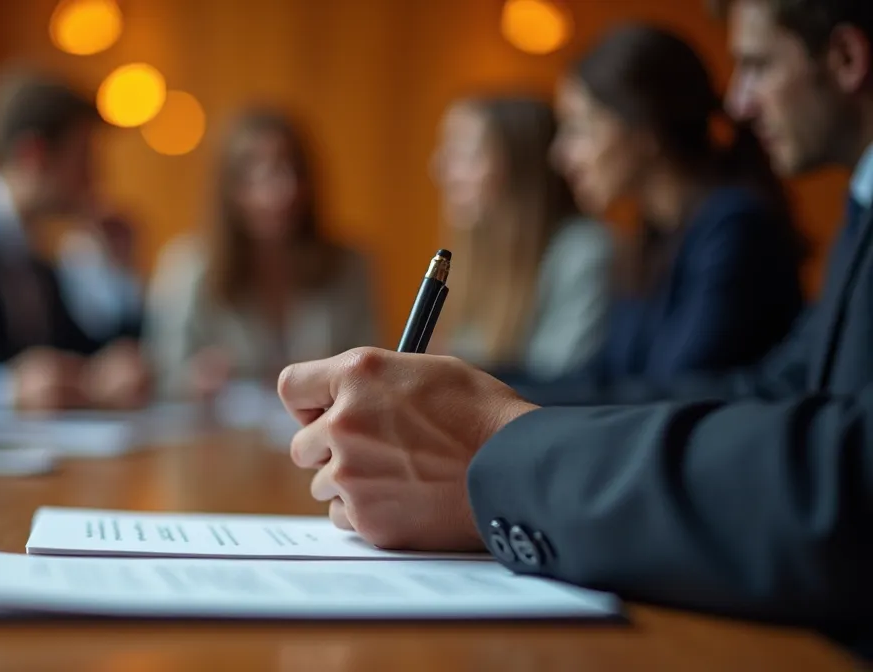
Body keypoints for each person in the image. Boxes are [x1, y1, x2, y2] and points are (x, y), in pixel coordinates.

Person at [278, 0, 873, 658]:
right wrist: (467, 398)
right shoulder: (655, 238)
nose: (737, 103)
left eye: (757, 64)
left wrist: (491, 431)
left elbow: (706, 398)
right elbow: (713, 388)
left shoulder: (731, 228)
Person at [548, 23, 804, 387]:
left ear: (645, 128)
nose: (561, 156)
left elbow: (674, 392)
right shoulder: (651, 237)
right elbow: (598, 379)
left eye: (579, 128)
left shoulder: (735, 227)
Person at [0, 70, 150, 412]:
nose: (95, 179)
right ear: (33, 154)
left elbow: (88, 355)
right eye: (83, 160)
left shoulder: (37, 259)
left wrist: (120, 271)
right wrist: (7, 391)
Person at [145, 109, 379, 399]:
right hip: (217, 438)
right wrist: (195, 379)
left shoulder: (349, 265)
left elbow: (371, 371)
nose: (284, 190)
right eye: (262, 174)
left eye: (293, 171)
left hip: (326, 434)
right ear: (230, 188)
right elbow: (161, 374)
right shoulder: (189, 266)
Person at [433, 96, 611, 380]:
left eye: (465, 154)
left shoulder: (584, 251)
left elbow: (558, 384)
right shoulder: (475, 255)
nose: (440, 169)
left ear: (520, 168)